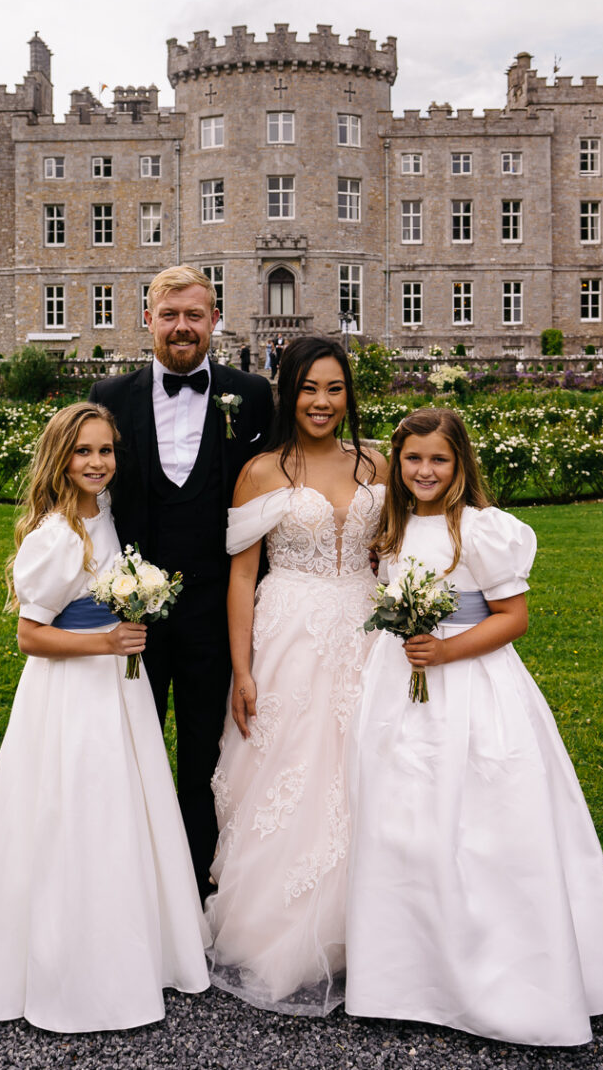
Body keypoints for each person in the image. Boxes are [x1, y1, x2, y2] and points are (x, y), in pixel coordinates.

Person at [345, 407, 603, 1046]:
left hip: (471, 687)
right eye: (413, 459)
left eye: (438, 460)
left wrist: (445, 650)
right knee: (403, 819)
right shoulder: (391, 530)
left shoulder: (479, 529)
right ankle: (409, 976)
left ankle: (501, 975)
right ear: (398, 463)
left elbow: (513, 617)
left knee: (477, 822)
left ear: (460, 464)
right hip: (398, 686)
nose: (424, 471)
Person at [0, 401, 208, 1032]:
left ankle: (131, 948)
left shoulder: (107, 514)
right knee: (75, 814)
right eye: (83, 451)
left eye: (106, 451)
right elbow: (30, 636)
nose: (97, 463)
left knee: (120, 814)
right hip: (71, 694)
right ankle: (72, 966)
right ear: (60, 458)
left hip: (117, 690)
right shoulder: (57, 536)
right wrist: (107, 642)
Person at [206, 336, 387, 1015]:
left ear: (349, 394)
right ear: (288, 391)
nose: (322, 402)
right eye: (310, 388)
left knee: (363, 769)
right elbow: (242, 575)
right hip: (288, 634)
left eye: (335, 388)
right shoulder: (260, 471)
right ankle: (281, 933)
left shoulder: (377, 461)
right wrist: (242, 669)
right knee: (292, 774)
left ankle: (373, 931)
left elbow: (395, 549)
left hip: (367, 630)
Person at [89, 266, 275, 901]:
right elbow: (85, 490)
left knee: (207, 756)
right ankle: (133, 886)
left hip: (215, 608)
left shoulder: (250, 395)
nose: (182, 328)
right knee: (129, 749)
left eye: (194, 315)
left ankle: (199, 888)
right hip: (133, 616)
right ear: (148, 321)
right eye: (169, 315)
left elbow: (280, 486)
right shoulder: (110, 395)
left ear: (214, 319)